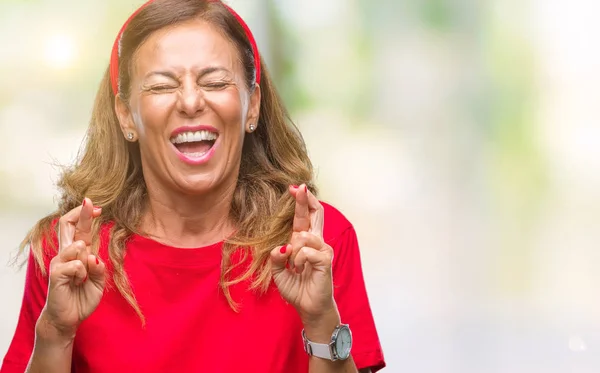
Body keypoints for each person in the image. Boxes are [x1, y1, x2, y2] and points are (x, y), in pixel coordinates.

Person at [1, 0, 385, 372]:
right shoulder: (69, 252)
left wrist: (320, 321)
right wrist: (55, 333)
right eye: (161, 86)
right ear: (125, 117)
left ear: (252, 106)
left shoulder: (320, 243)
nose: (189, 100)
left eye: (215, 81)